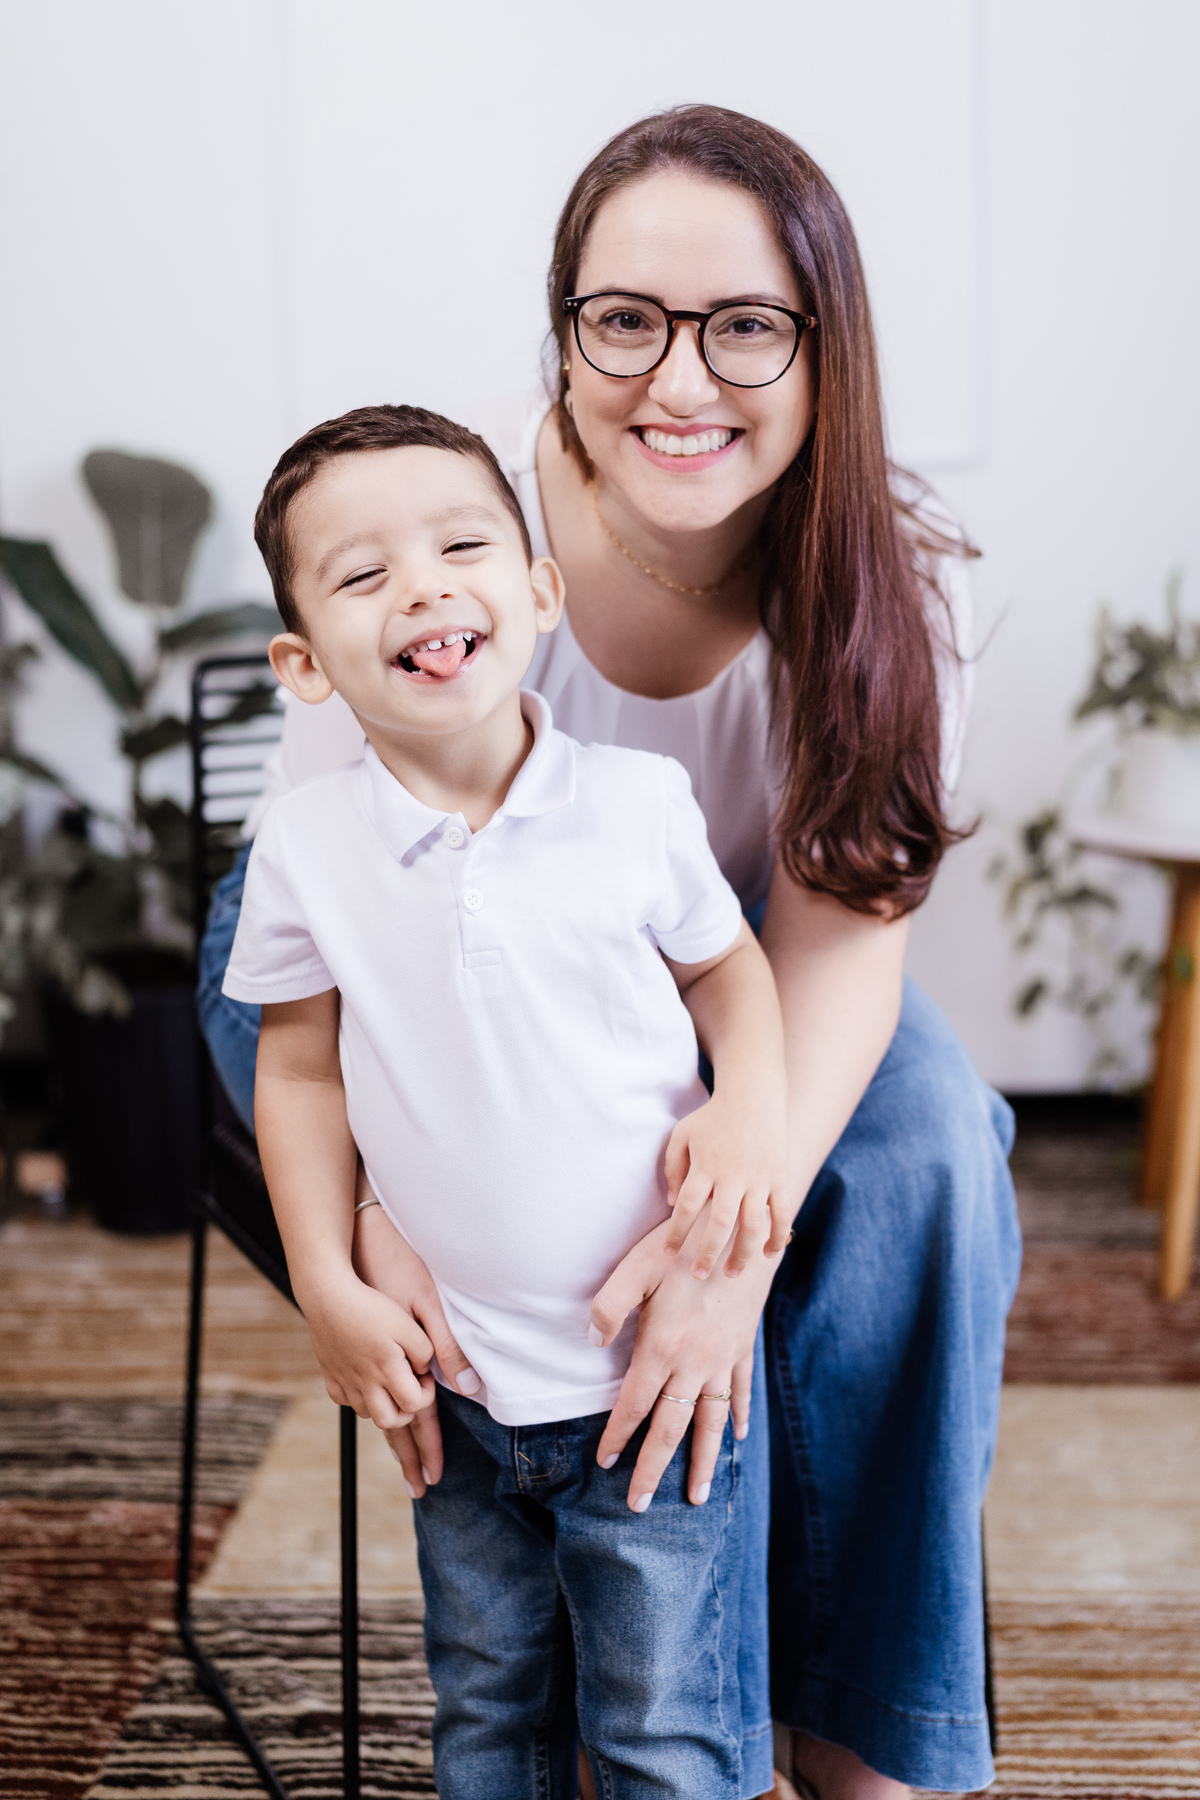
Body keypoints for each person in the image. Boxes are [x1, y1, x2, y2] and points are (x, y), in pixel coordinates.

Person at [197, 106, 1021, 1799]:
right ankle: (603, 1676)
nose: (680, 381)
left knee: (932, 1147)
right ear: (564, 328)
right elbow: (322, 959)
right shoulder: (445, 529)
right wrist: (381, 1204)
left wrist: (733, 1236)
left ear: (827, 347)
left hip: (717, 959)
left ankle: (862, 1723)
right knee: (484, 1180)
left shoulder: (885, 582)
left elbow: (835, 940)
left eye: (749, 327)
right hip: (371, 953)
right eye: (626, 320)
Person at [225, 402, 791, 1799]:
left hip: (653, 1382)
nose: (421, 588)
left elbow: (730, 974)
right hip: (462, 1382)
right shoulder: (306, 846)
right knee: (487, 1706)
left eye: (461, 548)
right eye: (365, 574)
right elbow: (296, 1067)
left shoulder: (637, 804)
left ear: (540, 592)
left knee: (664, 1729)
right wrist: (324, 1278)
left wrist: (751, 1107)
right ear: (305, 664)